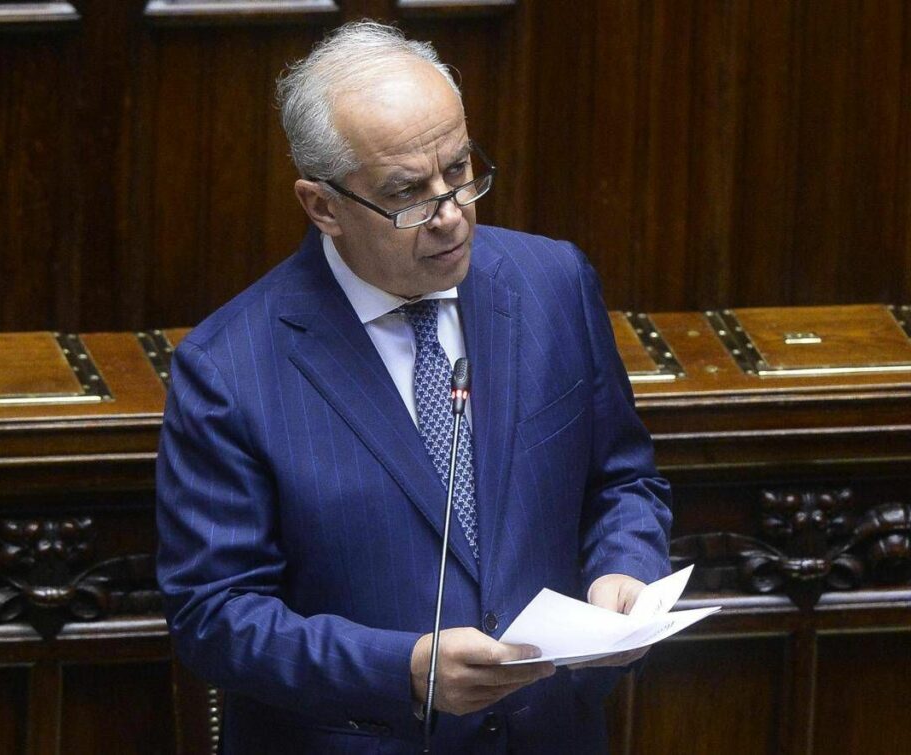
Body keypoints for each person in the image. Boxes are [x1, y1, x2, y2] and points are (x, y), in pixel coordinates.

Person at [156, 21, 672, 754]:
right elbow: (215, 617)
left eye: (459, 170)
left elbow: (622, 480)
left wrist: (626, 567)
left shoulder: (553, 284)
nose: (450, 213)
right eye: (407, 194)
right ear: (323, 206)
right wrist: (401, 670)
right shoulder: (228, 369)